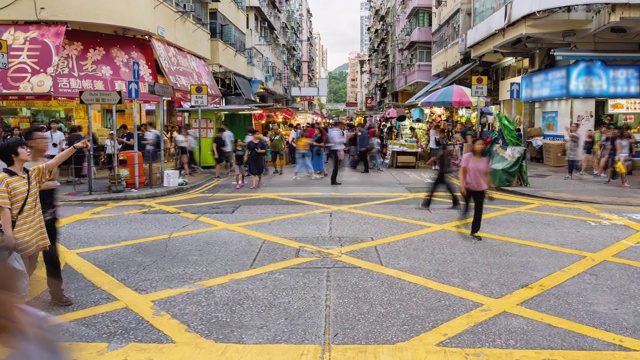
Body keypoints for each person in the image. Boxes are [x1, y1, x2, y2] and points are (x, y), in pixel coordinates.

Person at [0, 135, 89, 276]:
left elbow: (55, 161)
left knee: (30, 269)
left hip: (34, 234)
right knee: (20, 277)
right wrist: (9, 237)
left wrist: (75, 147)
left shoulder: (32, 174)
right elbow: (4, 209)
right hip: (19, 237)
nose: (28, 150)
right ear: (13, 154)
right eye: (23, 147)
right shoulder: (4, 180)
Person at [23, 127, 73, 306]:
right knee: (28, 260)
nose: (45, 142)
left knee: (52, 256)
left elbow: (53, 190)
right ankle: (19, 296)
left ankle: (57, 293)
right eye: (40, 138)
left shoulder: (48, 163)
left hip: (49, 218)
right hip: (29, 219)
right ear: (30, 142)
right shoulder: (23, 165)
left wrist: (56, 207)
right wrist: (46, 185)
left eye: (46, 138)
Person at [459, 138, 492, 241]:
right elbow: (462, 171)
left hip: (480, 188)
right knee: (466, 208)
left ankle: (475, 231)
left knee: (478, 211)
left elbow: (486, 174)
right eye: (478, 144)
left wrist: (489, 187)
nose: (480, 146)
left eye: (482, 144)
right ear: (473, 146)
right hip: (468, 186)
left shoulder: (485, 159)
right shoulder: (467, 157)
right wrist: (462, 185)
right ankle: (463, 220)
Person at [422, 133, 460, 210]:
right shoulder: (446, 152)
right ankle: (456, 203)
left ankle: (426, 204)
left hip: (442, 173)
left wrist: (428, 162)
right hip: (443, 172)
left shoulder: (442, 152)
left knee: (433, 189)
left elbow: (435, 158)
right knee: (448, 188)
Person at [327, 121, 346, 185]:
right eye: (342, 125)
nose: (343, 127)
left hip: (333, 149)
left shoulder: (331, 131)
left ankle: (333, 179)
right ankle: (333, 180)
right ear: (339, 125)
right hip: (335, 149)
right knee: (336, 166)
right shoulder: (336, 132)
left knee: (336, 165)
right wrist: (345, 139)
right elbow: (337, 140)